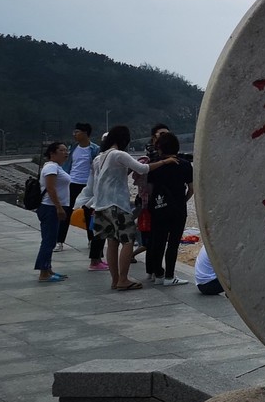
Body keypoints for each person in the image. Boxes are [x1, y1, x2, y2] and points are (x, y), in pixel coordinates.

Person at [91, 125, 177, 292]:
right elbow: (143, 169)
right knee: (128, 241)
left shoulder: (100, 157)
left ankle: (115, 280)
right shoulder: (118, 154)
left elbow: (114, 175)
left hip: (102, 205)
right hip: (117, 205)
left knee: (112, 242)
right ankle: (123, 279)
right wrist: (165, 161)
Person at [144, 132, 193, 285]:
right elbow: (191, 189)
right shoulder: (184, 164)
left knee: (158, 241)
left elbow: (149, 189)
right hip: (178, 209)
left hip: (158, 207)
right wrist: (182, 201)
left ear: (160, 148)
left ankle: (158, 274)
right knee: (173, 243)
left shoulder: (155, 165)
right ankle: (170, 276)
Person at [65, 123, 106, 269]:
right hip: (73, 183)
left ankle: (91, 242)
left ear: (86, 133)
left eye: (77, 131)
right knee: (67, 211)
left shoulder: (94, 150)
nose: (74, 134)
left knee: (90, 214)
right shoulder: (73, 148)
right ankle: (60, 241)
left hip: (88, 185)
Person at [35, 141, 71, 282]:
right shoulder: (51, 167)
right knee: (48, 241)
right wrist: (58, 207)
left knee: (50, 240)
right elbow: (51, 188)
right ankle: (43, 273)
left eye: (66, 150)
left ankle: (48, 269)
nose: (65, 153)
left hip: (52, 207)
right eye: (62, 150)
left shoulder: (56, 167)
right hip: (50, 208)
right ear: (52, 153)